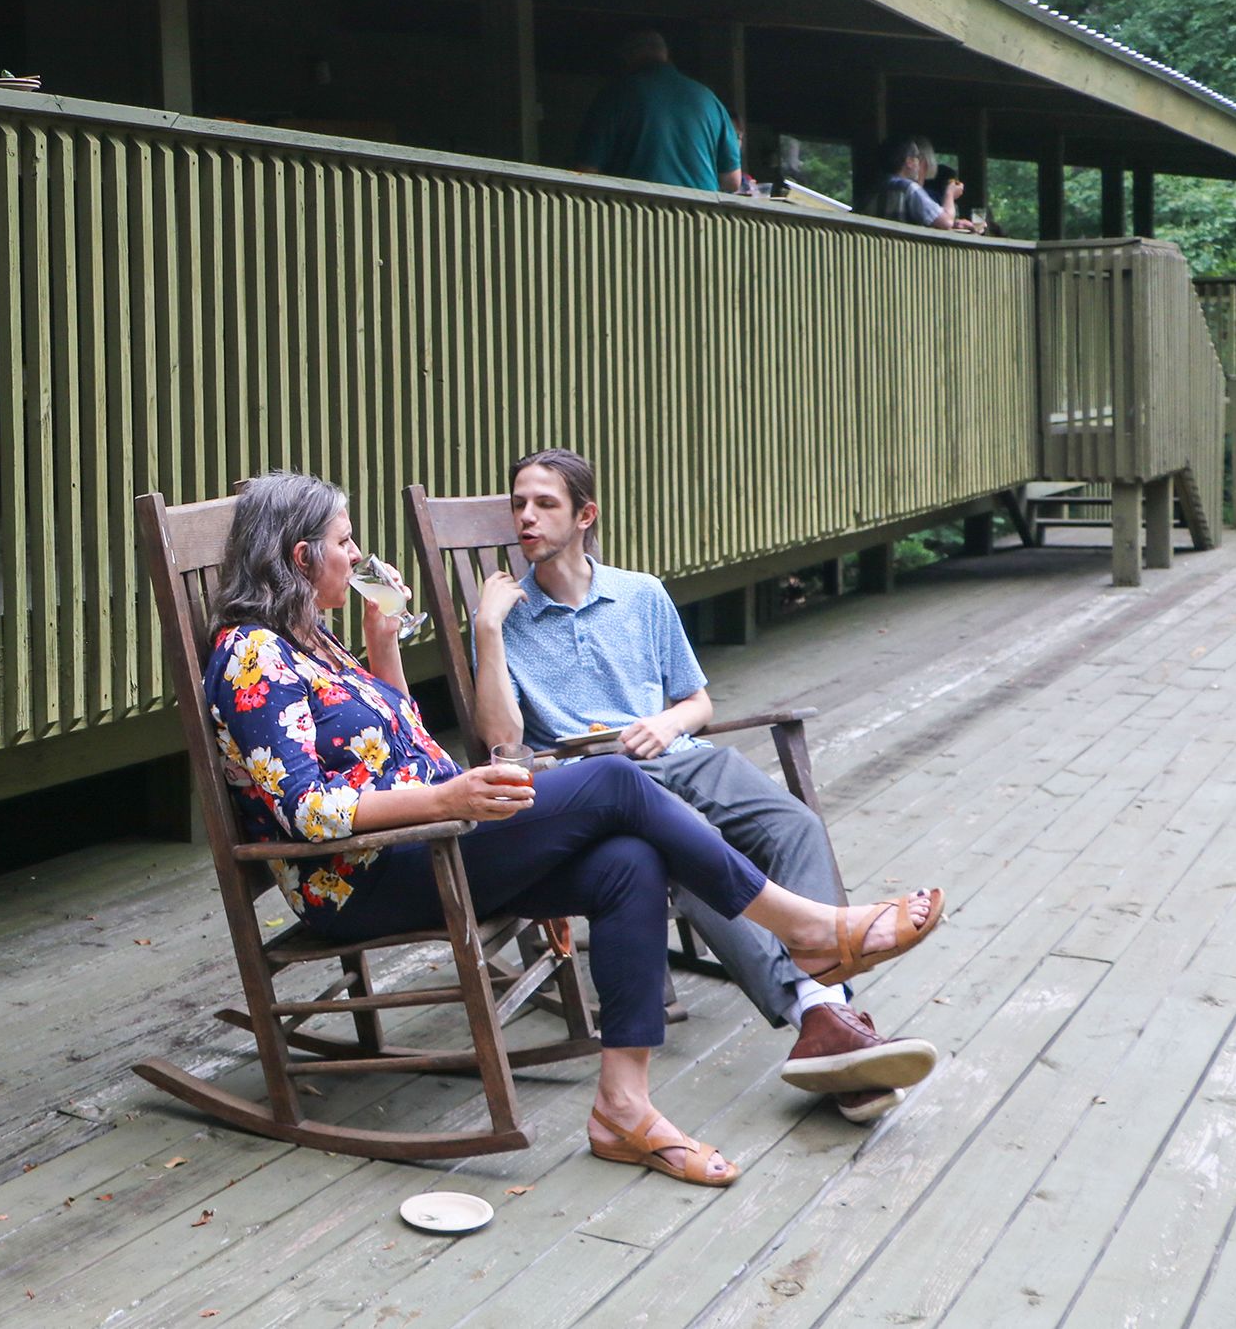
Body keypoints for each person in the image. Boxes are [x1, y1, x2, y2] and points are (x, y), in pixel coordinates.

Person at [207, 470, 946, 1186]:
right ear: (302, 557)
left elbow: (402, 743)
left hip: (435, 844)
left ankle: (622, 1106)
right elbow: (308, 811)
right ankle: (807, 929)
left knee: (629, 858)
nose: (359, 556)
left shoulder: (314, 642)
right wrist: (448, 800)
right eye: (345, 542)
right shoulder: (251, 656)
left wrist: (382, 637)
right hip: (366, 878)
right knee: (617, 781)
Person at [470, 448, 940, 1123]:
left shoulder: (641, 593)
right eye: (518, 503)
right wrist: (487, 630)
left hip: (679, 752)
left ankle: (824, 1013)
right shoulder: (507, 620)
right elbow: (501, 743)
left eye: (544, 503)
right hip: (601, 780)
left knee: (794, 824)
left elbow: (699, 701)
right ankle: (823, 1013)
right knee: (694, 855)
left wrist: (665, 722)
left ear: (585, 515)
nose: (525, 517)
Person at [571, 31, 744, 194]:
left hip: (638, 213)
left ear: (628, 56)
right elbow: (732, 180)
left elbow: (587, 170)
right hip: (702, 216)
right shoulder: (709, 99)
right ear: (666, 54)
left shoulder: (615, 95)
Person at [858, 136, 961, 228]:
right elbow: (946, 221)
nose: (919, 163)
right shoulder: (909, 188)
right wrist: (950, 193)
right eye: (917, 157)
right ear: (909, 162)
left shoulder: (872, 189)